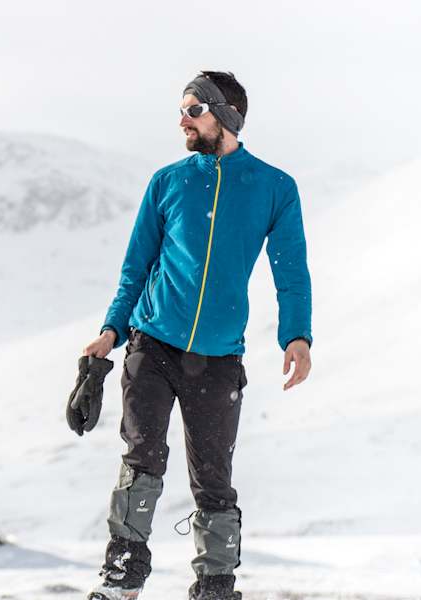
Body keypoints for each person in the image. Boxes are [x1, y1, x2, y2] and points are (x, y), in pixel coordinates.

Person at [82, 71, 313, 600]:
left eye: (193, 110)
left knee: (213, 480)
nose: (182, 120)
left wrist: (297, 336)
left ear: (225, 115)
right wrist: (111, 331)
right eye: (182, 110)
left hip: (218, 359)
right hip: (152, 343)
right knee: (142, 458)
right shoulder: (168, 181)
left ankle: (215, 587)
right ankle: (121, 580)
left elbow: (291, 270)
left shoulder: (274, 187)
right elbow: (136, 267)